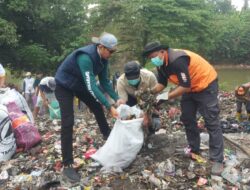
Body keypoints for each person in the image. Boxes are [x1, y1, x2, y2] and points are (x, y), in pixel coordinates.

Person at [142, 41, 224, 175]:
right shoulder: (162, 65)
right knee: (187, 118)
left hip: (206, 84)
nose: (153, 60)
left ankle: (218, 159)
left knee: (211, 121)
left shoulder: (177, 60)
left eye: (154, 56)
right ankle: (194, 149)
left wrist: (166, 96)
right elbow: (162, 84)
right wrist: (150, 93)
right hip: (190, 87)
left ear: (163, 51)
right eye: (151, 58)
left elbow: (184, 86)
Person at [55, 32, 123, 182]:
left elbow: (104, 82)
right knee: (68, 121)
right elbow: (91, 86)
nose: (111, 54)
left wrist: (117, 99)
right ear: (101, 47)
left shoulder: (104, 59)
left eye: (114, 51)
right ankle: (67, 164)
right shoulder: (85, 57)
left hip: (79, 85)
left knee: (97, 107)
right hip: (64, 86)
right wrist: (109, 106)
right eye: (110, 51)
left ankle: (108, 135)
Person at [117, 61, 161, 133]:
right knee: (134, 120)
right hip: (131, 99)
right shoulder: (121, 82)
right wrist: (123, 113)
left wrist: (154, 113)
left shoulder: (149, 76)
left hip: (148, 98)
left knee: (151, 122)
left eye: (135, 78)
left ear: (139, 73)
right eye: (130, 79)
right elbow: (123, 102)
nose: (133, 80)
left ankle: (151, 132)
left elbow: (156, 97)